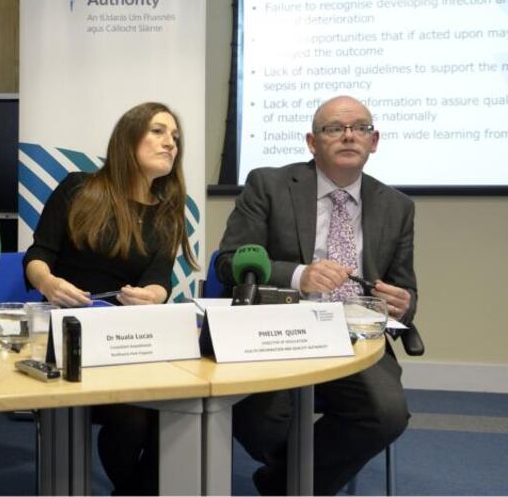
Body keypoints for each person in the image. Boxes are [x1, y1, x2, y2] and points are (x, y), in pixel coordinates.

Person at [216, 95, 414, 495]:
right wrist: (300, 275)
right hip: (279, 332)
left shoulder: (397, 206)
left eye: (360, 128)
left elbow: (406, 289)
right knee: (262, 425)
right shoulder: (269, 185)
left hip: (355, 338)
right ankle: (296, 479)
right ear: (312, 142)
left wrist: (403, 303)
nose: (349, 136)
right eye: (334, 128)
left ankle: (281, 485)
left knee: (385, 415)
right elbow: (229, 261)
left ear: (374, 141)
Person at [24, 102, 197, 495]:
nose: (170, 143)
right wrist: (48, 283)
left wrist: (152, 296)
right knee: (133, 418)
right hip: (70, 337)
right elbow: (38, 255)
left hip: (130, 340)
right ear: (127, 138)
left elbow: (158, 281)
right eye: (158, 131)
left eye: (174, 136)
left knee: (179, 409)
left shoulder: (168, 213)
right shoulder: (78, 188)